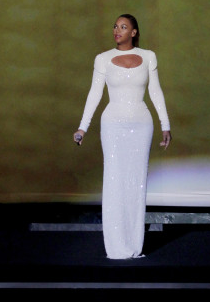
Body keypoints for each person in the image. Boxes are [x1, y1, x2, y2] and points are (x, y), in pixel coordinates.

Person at [73, 14, 171, 259]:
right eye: (115, 26)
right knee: (115, 180)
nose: (117, 30)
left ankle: (135, 245)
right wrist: (83, 127)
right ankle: (116, 247)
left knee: (136, 183)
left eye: (123, 27)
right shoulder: (103, 59)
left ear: (134, 32)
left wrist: (165, 124)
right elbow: (94, 94)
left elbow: (155, 92)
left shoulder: (149, 57)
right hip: (113, 125)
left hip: (141, 124)